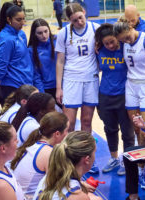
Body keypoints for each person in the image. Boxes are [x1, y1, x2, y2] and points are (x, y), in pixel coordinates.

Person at [94, 23, 135, 175]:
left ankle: (127, 160)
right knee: (110, 129)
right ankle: (114, 158)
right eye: (107, 43)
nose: (110, 45)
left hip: (124, 95)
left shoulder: (126, 48)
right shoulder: (99, 50)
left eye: (113, 41)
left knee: (127, 131)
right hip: (105, 95)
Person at [113, 17, 145, 147]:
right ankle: (141, 165)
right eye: (123, 40)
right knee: (137, 130)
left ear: (131, 28)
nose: (126, 41)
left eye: (127, 37)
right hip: (131, 86)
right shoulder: (122, 42)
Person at [55, 3, 99, 133]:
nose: (79, 22)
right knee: (69, 123)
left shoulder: (96, 29)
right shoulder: (63, 33)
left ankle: (85, 151)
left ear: (84, 12)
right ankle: (68, 153)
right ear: (69, 20)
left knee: (86, 121)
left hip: (91, 79)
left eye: (80, 17)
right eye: (75, 20)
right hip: (71, 80)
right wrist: (59, 88)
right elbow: (60, 61)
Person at [11, 112, 69, 198]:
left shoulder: (35, 143)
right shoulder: (49, 153)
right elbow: (56, 187)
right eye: (67, 130)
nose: (67, 134)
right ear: (57, 134)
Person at [0, 5, 43, 105]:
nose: (23, 23)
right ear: (9, 19)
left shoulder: (21, 34)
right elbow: (1, 65)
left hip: (25, 83)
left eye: (24, 19)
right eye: (18, 20)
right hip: (12, 86)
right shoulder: (6, 39)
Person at [33, 131, 101, 200]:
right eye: (94, 152)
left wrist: (81, 184)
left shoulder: (50, 176)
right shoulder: (78, 196)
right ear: (87, 159)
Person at [28, 18, 58, 102]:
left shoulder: (57, 41)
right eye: (39, 33)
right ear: (34, 34)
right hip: (46, 89)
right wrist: (42, 94)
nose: (44, 35)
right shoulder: (31, 50)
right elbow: (35, 75)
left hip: (62, 86)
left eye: (46, 31)